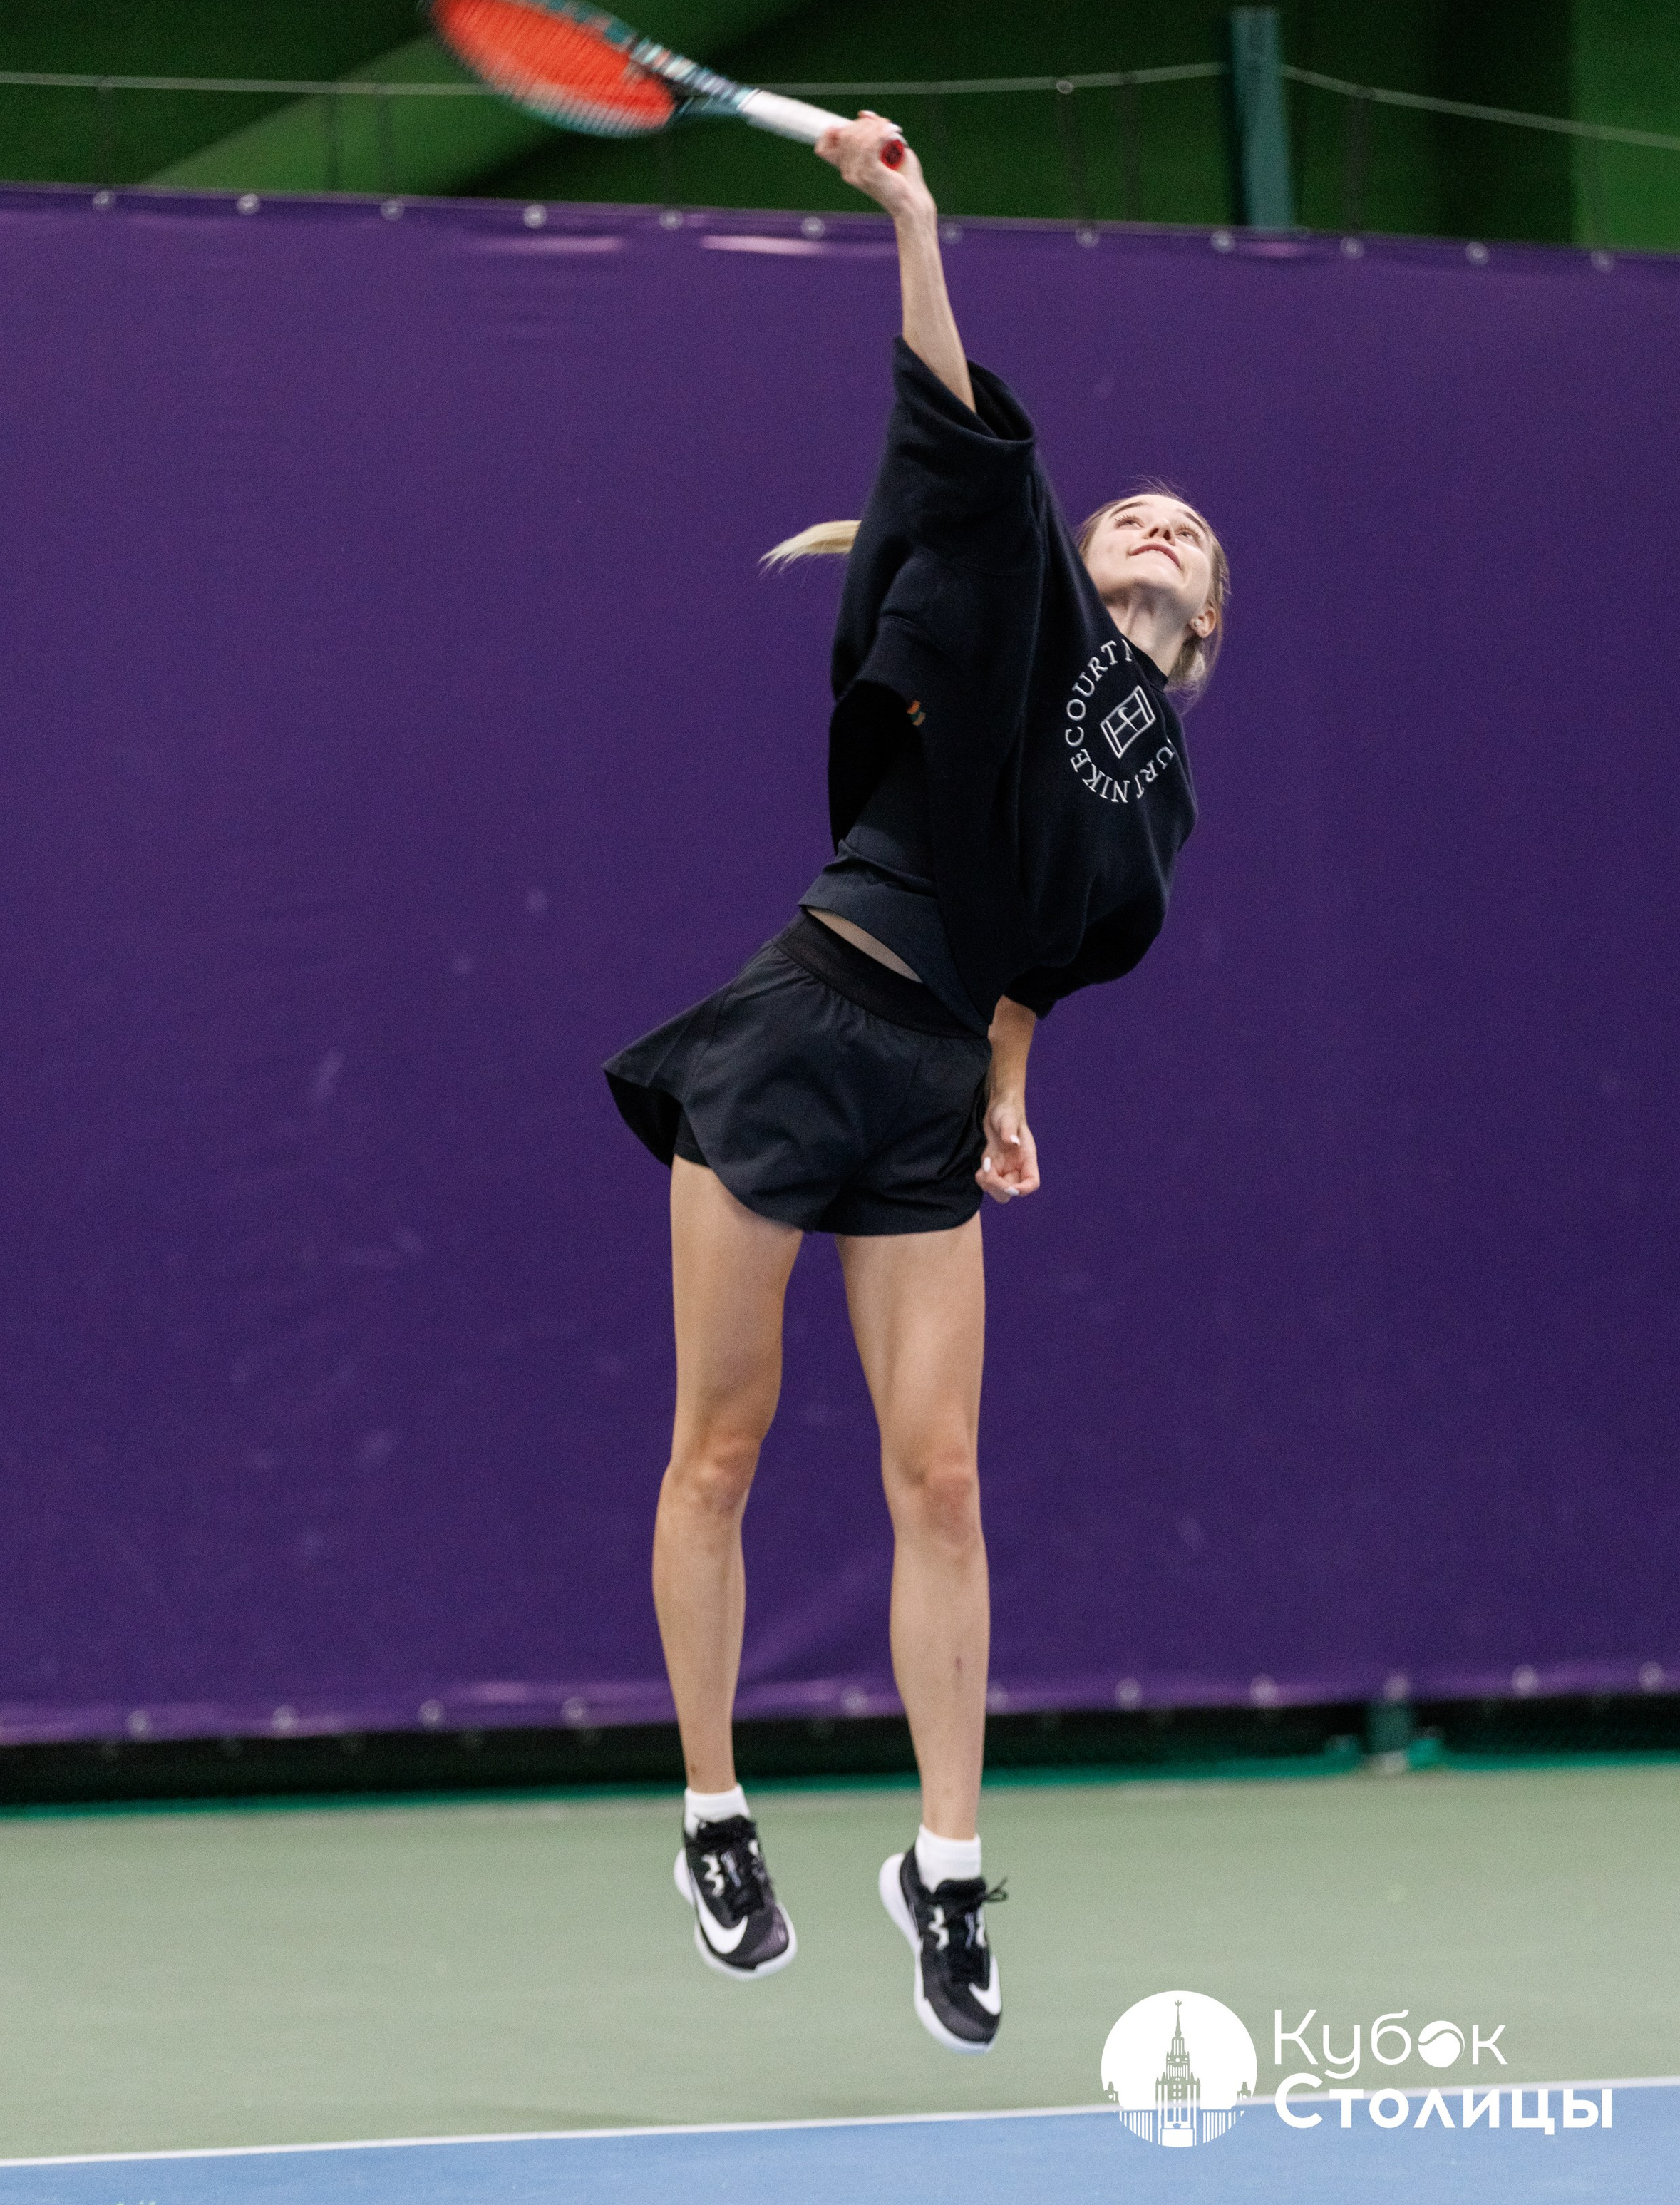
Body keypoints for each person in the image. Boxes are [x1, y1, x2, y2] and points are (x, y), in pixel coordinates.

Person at [604, 113, 1229, 2055]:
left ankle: (947, 1881)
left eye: (1188, 535)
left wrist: (1011, 1081)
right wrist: (914, 218)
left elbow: (1042, 943)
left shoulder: (1157, 801)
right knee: (725, 1445)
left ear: (1207, 634)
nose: (1154, 526)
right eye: (1134, 515)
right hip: (797, 1026)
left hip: (931, 1092)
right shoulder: (1026, 602)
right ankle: (716, 1814)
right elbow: (970, 431)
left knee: (942, 1477)